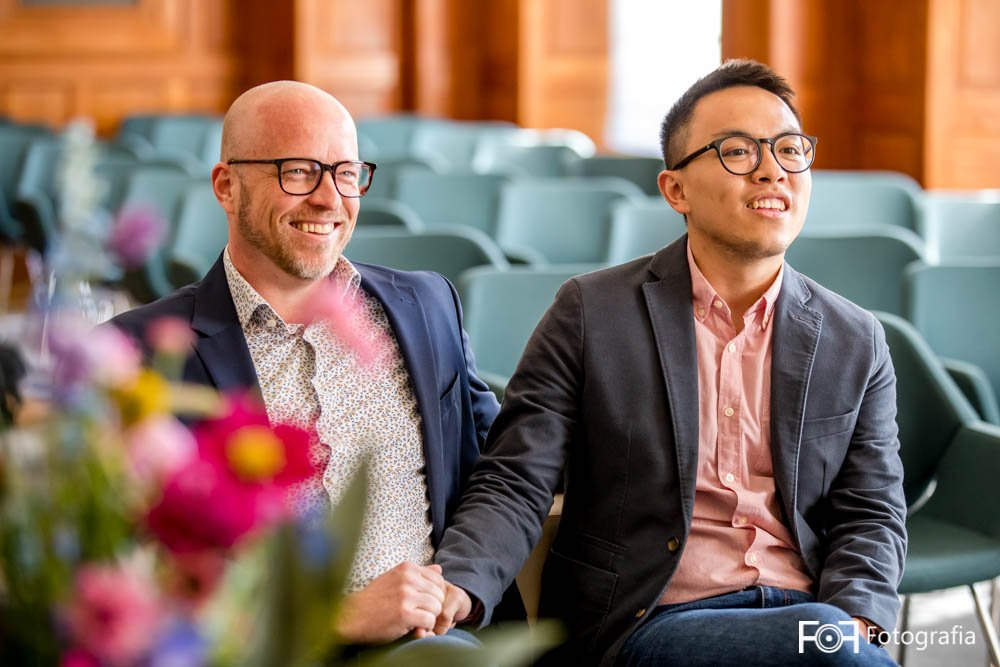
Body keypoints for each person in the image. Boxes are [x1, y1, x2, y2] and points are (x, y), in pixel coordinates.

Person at [433, 59, 906, 666]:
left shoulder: (854, 337)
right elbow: (517, 478)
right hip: (649, 621)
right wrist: (458, 584)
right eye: (738, 151)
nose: (772, 171)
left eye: (790, 149)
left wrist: (863, 620)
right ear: (675, 189)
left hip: (806, 613)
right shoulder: (593, 312)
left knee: (832, 641)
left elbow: (870, 508)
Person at [110, 80, 518, 647]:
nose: (330, 199)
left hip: (437, 645)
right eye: (298, 171)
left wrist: (462, 585)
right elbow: (132, 579)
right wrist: (333, 619)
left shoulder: (426, 305)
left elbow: (502, 470)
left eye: (346, 172)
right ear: (227, 187)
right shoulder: (143, 354)